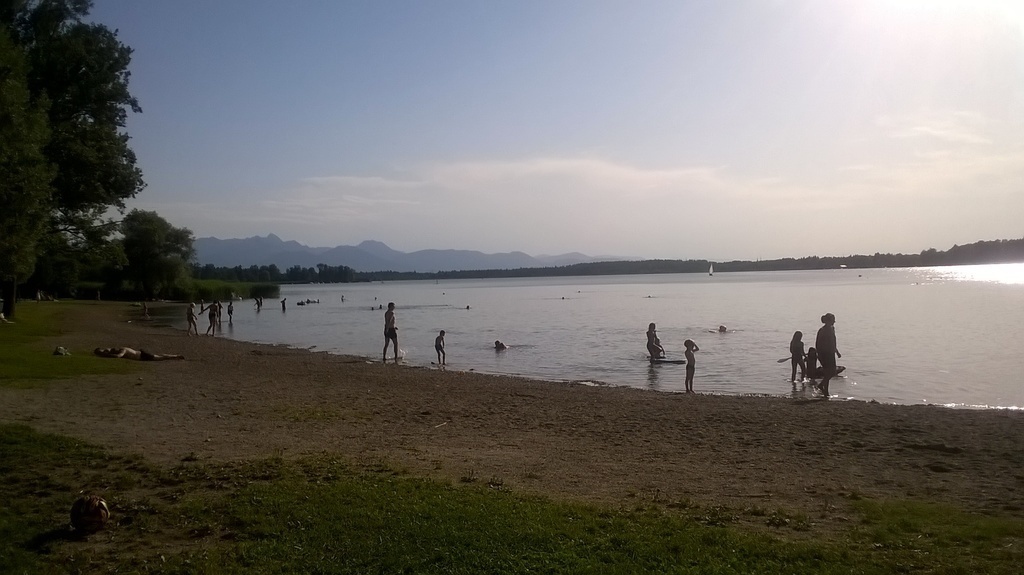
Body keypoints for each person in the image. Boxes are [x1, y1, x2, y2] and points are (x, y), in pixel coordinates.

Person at [815, 313, 842, 396]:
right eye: (833, 320)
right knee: (830, 372)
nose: (834, 322)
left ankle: (825, 391)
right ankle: (822, 386)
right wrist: (819, 354)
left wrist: (837, 352)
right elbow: (818, 343)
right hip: (824, 353)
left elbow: (833, 342)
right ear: (828, 321)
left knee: (830, 372)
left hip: (831, 353)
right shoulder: (822, 330)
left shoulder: (832, 329)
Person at [94, 347, 184, 361]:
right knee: (159, 356)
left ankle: (175, 356)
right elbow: (109, 349)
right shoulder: (121, 349)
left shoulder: (122, 350)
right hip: (140, 354)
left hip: (142, 355)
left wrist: (106, 355)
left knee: (159, 358)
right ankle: (174, 356)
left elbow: (118, 356)